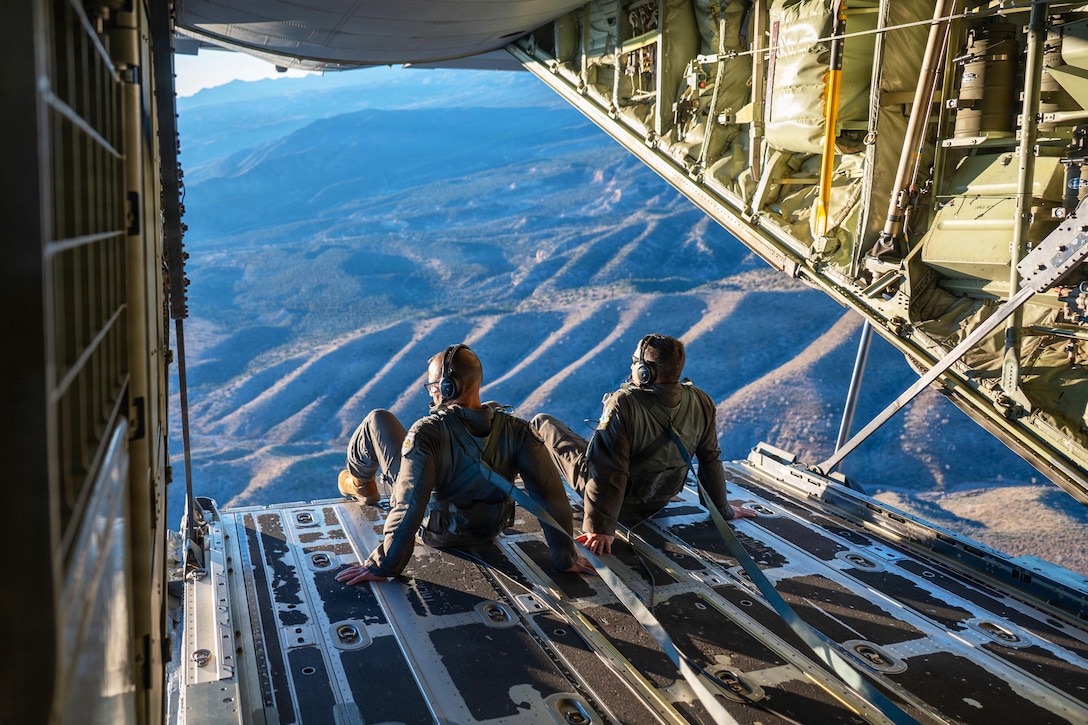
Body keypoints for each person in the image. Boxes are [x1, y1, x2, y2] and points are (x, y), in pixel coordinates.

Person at [336, 343, 594, 585]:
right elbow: (550, 496)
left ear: (448, 387)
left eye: (434, 385)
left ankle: (360, 484)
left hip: (438, 534)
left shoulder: (427, 432)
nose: (432, 392)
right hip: (488, 530)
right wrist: (565, 558)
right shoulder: (518, 430)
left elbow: (410, 503)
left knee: (377, 420)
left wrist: (383, 565)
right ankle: (360, 484)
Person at [532, 334, 757, 556]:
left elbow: (608, 469)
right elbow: (710, 459)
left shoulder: (624, 403)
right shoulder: (701, 399)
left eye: (634, 363)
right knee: (588, 444)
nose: (631, 368)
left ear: (646, 371)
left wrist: (600, 528)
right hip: (659, 500)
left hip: (622, 504)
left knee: (543, 422)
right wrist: (722, 510)